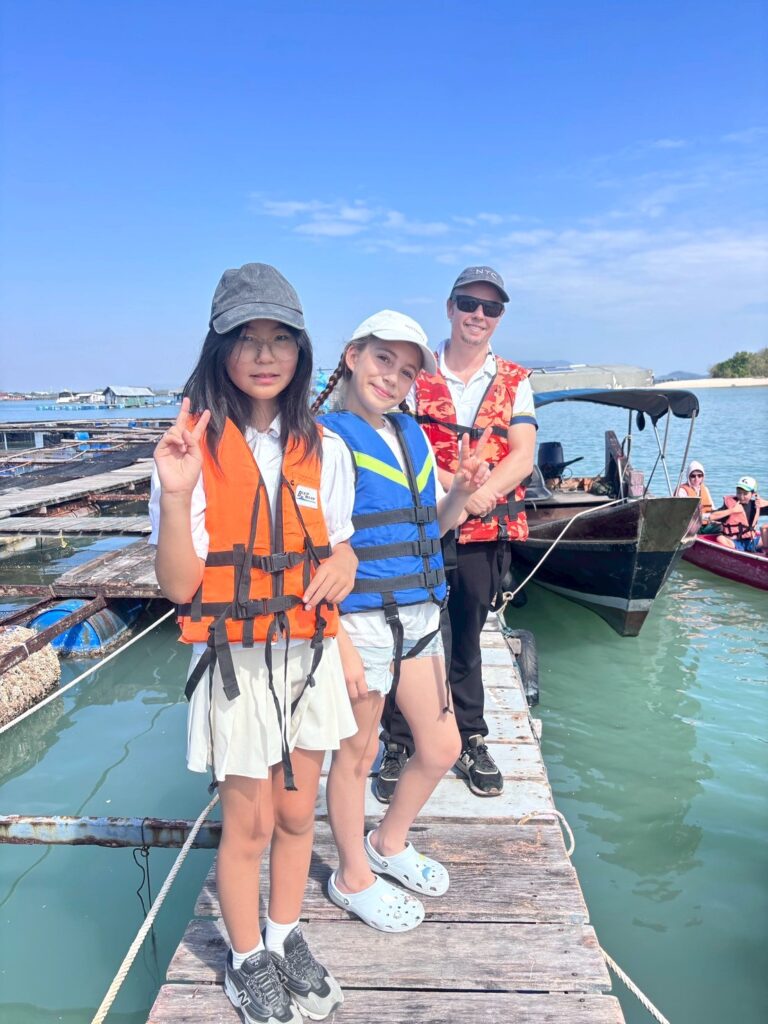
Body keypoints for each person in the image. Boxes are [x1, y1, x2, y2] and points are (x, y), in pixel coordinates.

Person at [149, 263, 359, 1024]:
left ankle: (284, 933)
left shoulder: (325, 449)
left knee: (299, 816)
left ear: (302, 351)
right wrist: (177, 495)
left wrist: (346, 560)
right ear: (220, 349)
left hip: (308, 655)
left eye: (281, 338)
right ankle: (245, 960)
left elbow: (337, 543)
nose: (265, 355)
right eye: (247, 338)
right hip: (234, 661)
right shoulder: (189, 449)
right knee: (250, 823)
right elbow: (180, 584)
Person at [312, 310, 492, 930]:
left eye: (408, 370)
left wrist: (460, 492)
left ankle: (387, 843)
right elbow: (318, 549)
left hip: (418, 616)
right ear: (353, 356)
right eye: (382, 359)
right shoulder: (328, 442)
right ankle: (350, 877)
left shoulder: (410, 434)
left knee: (442, 746)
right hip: (361, 621)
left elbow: (432, 526)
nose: (392, 377)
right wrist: (338, 642)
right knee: (356, 756)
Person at [378, 267, 536, 800]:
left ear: (500, 317)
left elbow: (522, 454)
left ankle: (470, 737)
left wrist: (480, 495)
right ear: (450, 308)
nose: (478, 315)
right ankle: (399, 741)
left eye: (491, 308)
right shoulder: (415, 371)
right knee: (409, 634)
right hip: (420, 526)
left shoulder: (515, 379)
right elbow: (401, 440)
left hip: (485, 532)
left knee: (466, 638)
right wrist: (458, 490)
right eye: (469, 303)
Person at [707, 476, 768, 551]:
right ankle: (737, 552)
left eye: (745, 493)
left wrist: (766, 502)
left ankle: (765, 551)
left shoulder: (756, 505)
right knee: (720, 538)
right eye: (739, 492)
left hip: (751, 541)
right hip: (733, 542)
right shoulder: (731, 505)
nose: (741, 497)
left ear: (753, 494)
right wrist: (732, 510)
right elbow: (711, 517)